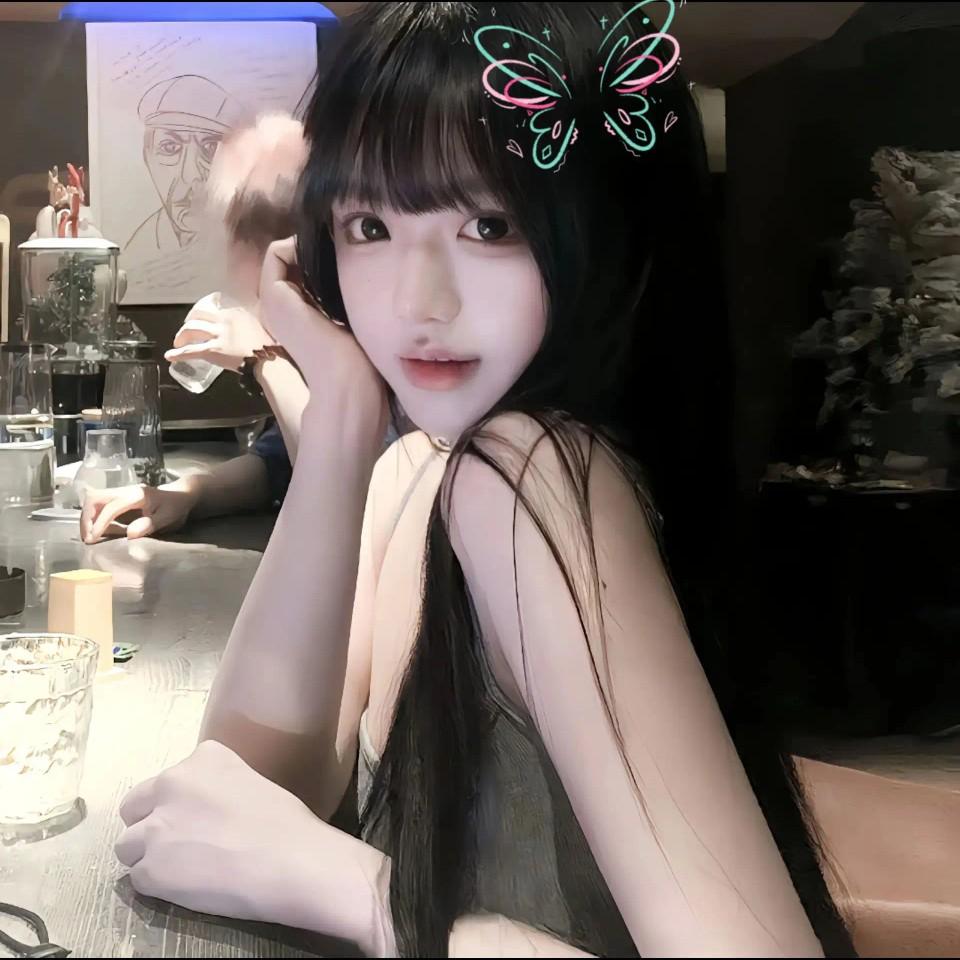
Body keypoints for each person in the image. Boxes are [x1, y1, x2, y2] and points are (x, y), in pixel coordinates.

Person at [113, 4, 858, 958]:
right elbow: (246, 784)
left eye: (490, 223)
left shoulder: (530, 477)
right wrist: (340, 413)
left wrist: (355, 889)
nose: (417, 301)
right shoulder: (420, 464)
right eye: (370, 225)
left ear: (610, 233)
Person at [125, 75, 249, 259]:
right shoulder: (137, 251)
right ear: (148, 158)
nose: (191, 176)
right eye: (170, 147)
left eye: (211, 148)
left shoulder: (251, 243)